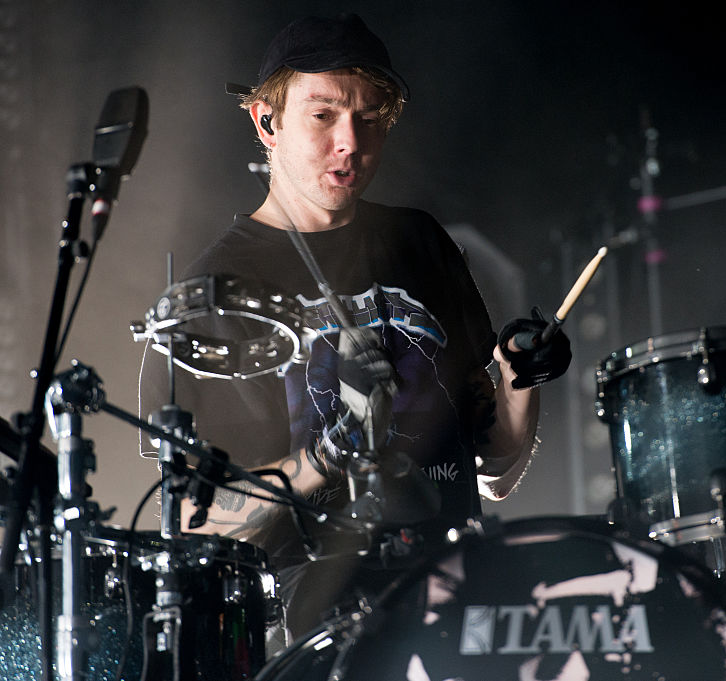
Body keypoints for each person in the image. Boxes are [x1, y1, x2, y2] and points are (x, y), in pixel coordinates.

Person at [138, 13, 570, 643]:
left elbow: (495, 470)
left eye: (368, 118)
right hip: (317, 629)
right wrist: (330, 453)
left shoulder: (420, 242)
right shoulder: (214, 292)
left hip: (459, 602)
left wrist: (520, 378)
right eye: (323, 115)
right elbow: (188, 521)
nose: (349, 142)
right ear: (265, 121)